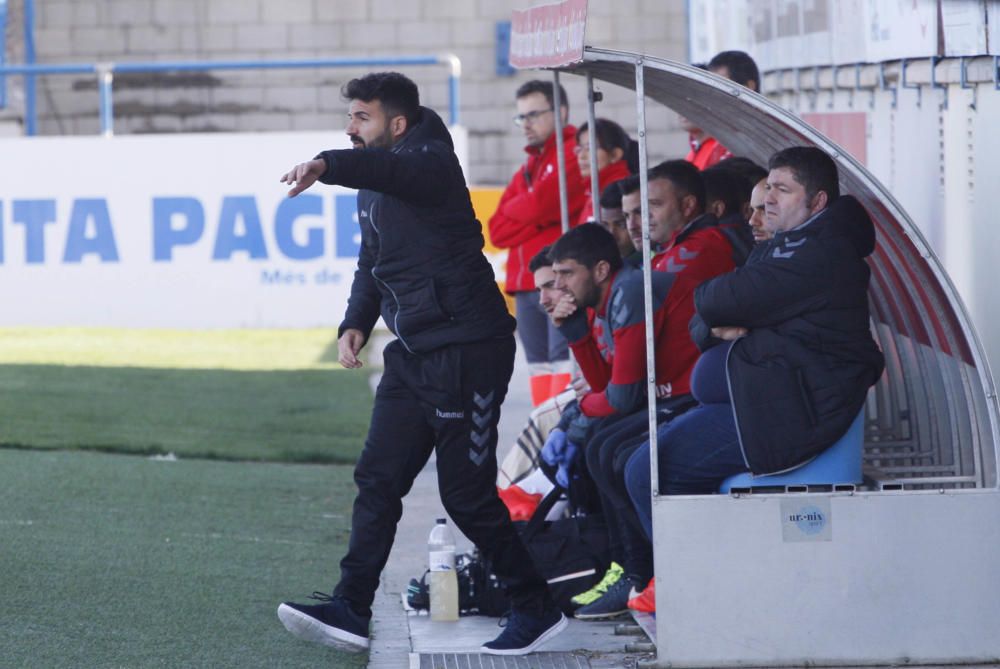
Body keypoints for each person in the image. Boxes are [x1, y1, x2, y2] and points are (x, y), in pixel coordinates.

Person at [274, 72, 567, 656]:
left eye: (362, 118)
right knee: (377, 479)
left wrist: (327, 164)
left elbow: (392, 173)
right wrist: (355, 322)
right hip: (411, 355)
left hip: (468, 350)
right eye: (349, 117)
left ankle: (536, 607)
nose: (350, 128)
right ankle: (350, 608)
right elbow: (372, 262)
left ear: (397, 124)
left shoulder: (430, 163)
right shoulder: (373, 178)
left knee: (466, 497)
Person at [623, 146, 886, 611]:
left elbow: (719, 299)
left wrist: (736, 317)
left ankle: (698, 589)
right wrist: (731, 317)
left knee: (651, 470)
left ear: (817, 202)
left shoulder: (822, 253)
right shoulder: (786, 245)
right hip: (760, 399)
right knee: (636, 459)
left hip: (793, 412)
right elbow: (708, 315)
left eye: (783, 190)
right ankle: (690, 578)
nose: (768, 202)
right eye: (770, 189)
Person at [546, 224, 702, 619]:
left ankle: (646, 571)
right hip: (665, 396)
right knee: (599, 444)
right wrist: (574, 331)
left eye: (566, 274)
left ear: (599, 270)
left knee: (608, 449)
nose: (558, 286)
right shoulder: (611, 294)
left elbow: (622, 396)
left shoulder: (631, 289)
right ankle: (629, 570)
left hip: (693, 396)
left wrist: (584, 409)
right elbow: (607, 385)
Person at [489, 80, 585, 407]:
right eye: (521, 118)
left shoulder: (573, 152)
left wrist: (531, 209)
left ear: (560, 113)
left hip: (558, 279)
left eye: (533, 115)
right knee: (540, 370)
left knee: (563, 363)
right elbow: (497, 230)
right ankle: (544, 439)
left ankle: (563, 440)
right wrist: (535, 213)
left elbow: (543, 204)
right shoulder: (530, 165)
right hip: (524, 283)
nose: (526, 124)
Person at [620, 161, 748, 281]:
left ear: (687, 206)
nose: (646, 216)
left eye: (655, 204)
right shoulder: (680, 245)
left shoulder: (700, 248)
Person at [681, 51, 760, 170]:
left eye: (722, 87)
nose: (714, 96)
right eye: (711, 89)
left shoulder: (764, 137)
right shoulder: (721, 142)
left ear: (748, 87)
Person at [575, 118, 638, 225]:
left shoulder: (620, 191)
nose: (581, 156)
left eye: (589, 148)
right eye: (579, 149)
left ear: (615, 155)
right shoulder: (595, 189)